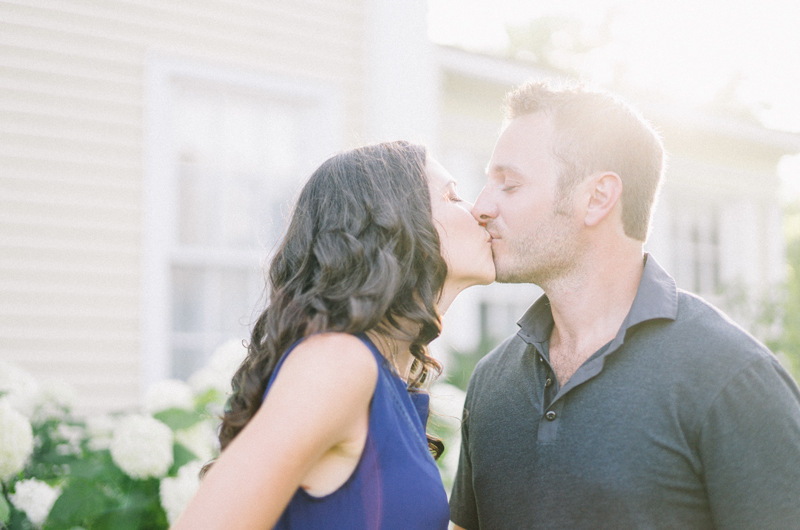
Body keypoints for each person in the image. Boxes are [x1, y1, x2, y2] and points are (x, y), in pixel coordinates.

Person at [449, 81, 800, 529]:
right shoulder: (490, 382)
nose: (481, 206)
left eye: (509, 185)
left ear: (596, 198)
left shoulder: (732, 379)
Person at [172, 141, 494, 530]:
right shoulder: (339, 362)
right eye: (452, 196)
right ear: (393, 226)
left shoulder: (390, 382)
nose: (477, 210)